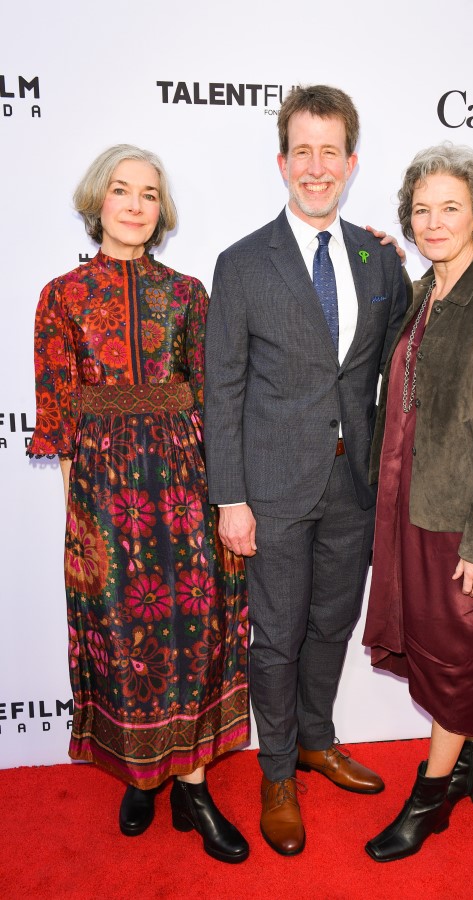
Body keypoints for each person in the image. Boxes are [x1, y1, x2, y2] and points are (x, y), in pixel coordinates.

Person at [28, 145, 249, 863]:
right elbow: (57, 407)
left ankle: (192, 784)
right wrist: (76, 510)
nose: (133, 204)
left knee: (191, 631)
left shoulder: (187, 293)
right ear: (98, 201)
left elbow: (216, 398)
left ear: (162, 210)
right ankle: (141, 774)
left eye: (148, 194)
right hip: (102, 487)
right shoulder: (61, 294)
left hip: (184, 483)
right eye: (121, 190)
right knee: (122, 633)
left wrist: (224, 497)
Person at [204, 85, 408, 856]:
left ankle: (319, 740)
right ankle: (279, 770)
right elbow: (221, 389)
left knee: (331, 624)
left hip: (352, 486)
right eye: (303, 151)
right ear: (281, 161)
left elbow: (403, 351)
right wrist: (231, 496)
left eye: (332, 152)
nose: (316, 167)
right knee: (277, 637)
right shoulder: (242, 262)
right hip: (273, 490)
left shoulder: (379, 260)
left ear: (351, 163)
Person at [362, 142, 473, 862]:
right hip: (408, 507)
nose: (433, 222)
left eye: (450, 209)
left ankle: (430, 800)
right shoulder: (417, 294)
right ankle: (471, 760)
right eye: (421, 209)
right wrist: (383, 259)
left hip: (466, 521)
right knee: (441, 650)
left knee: (459, 657)